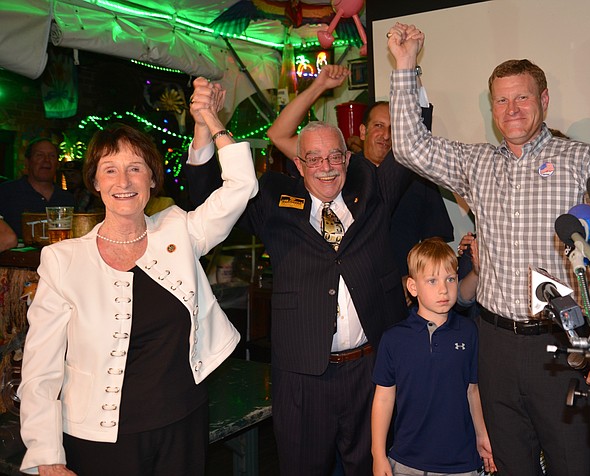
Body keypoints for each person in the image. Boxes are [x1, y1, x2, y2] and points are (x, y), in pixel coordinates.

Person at [386, 23, 590, 476]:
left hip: (562, 345)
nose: (512, 108)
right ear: (492, 109)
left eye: (522, 97)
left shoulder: (580, 161)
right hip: (496, 346)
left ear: (544, 100)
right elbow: (409, 147)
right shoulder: (478, 164)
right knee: (509, 464)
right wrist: (405, 66)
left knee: (570, 464)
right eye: (501, 100)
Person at [18, 86, 258, 475]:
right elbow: (40, 371)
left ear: (151, 179)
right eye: (110, 169)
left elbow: (241, 187)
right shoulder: (63, 260)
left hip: (182, 424)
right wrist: (47, 457)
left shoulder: (180, 230)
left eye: (135, 168)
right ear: (95, 182)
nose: (123, 181)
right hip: (100, 439)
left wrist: (211, 120)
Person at [186, 79, 412, 475]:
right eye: (314, 158)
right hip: (303, 377)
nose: (325, 167)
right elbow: (206, 199)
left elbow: (412, 140)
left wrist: (408, 68)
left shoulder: (372, 193)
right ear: (298, 163)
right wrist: (204, 126)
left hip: (371, 370)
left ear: (347, 158)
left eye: (334, 157)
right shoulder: (273, 200)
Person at [266, 64, 453, 284]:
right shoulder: (340, 172)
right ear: (362, 131)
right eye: (378, 126)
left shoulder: (417, 178)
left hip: (405, 296)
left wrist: (416, 281)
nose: (385, 135)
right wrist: (319, 85)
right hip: (344, 294)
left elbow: (435, 242)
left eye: (394, 129)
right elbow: (278, 135)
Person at [371, 237, 496, 476]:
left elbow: (472, 390)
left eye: (450, 279)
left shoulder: (469, 331)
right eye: (432, 280)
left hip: (461, 462)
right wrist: (378, 454)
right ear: (413, 287)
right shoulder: (394, 339)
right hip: (407, 461)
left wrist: (482, 436)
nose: (443, 289)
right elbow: (383, 399)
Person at [0, 138, 75, 236]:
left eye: (52, 156)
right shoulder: (5, 193)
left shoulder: (68, 199)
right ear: (27, 162)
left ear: (57, 164)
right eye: (39, 155)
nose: (46, 160)